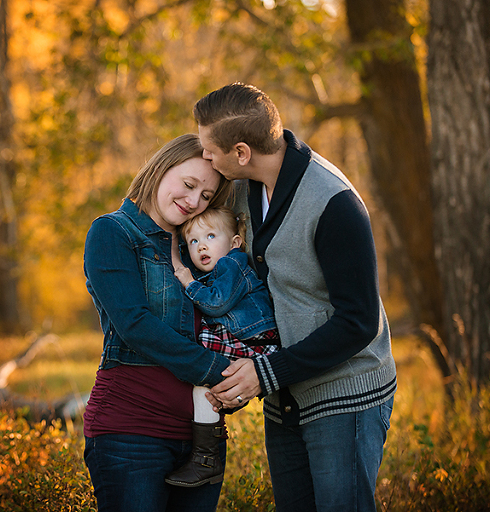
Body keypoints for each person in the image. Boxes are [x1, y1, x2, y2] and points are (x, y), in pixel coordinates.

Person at [194, 83, 396, 512]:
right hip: (285, 394)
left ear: (242, 151)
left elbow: (358, 322)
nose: (206, 159)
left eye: (210, 150)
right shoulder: (245, 189)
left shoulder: (334, 203)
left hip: (344, 397)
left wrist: (265, 372)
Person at [83, 133, 235, 512]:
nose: (193, 201)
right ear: (160, 167)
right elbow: (135, 325)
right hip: (132, 433)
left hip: (204, 442)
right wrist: (222, 371)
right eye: (189, 184)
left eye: (206, 196)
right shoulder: (113, 232)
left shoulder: (199, 246)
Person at [164, 206, 280, 488]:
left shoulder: (233, 263)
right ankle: (206, 455)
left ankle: (207, 458)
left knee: (202, 373)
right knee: (206, 385)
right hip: (245, 340)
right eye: (193, 241)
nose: (201, 245)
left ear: (235, 243)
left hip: (256, 342)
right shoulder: (219, 265)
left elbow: (217, 304)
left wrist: (188, 281)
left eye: (211, 236)